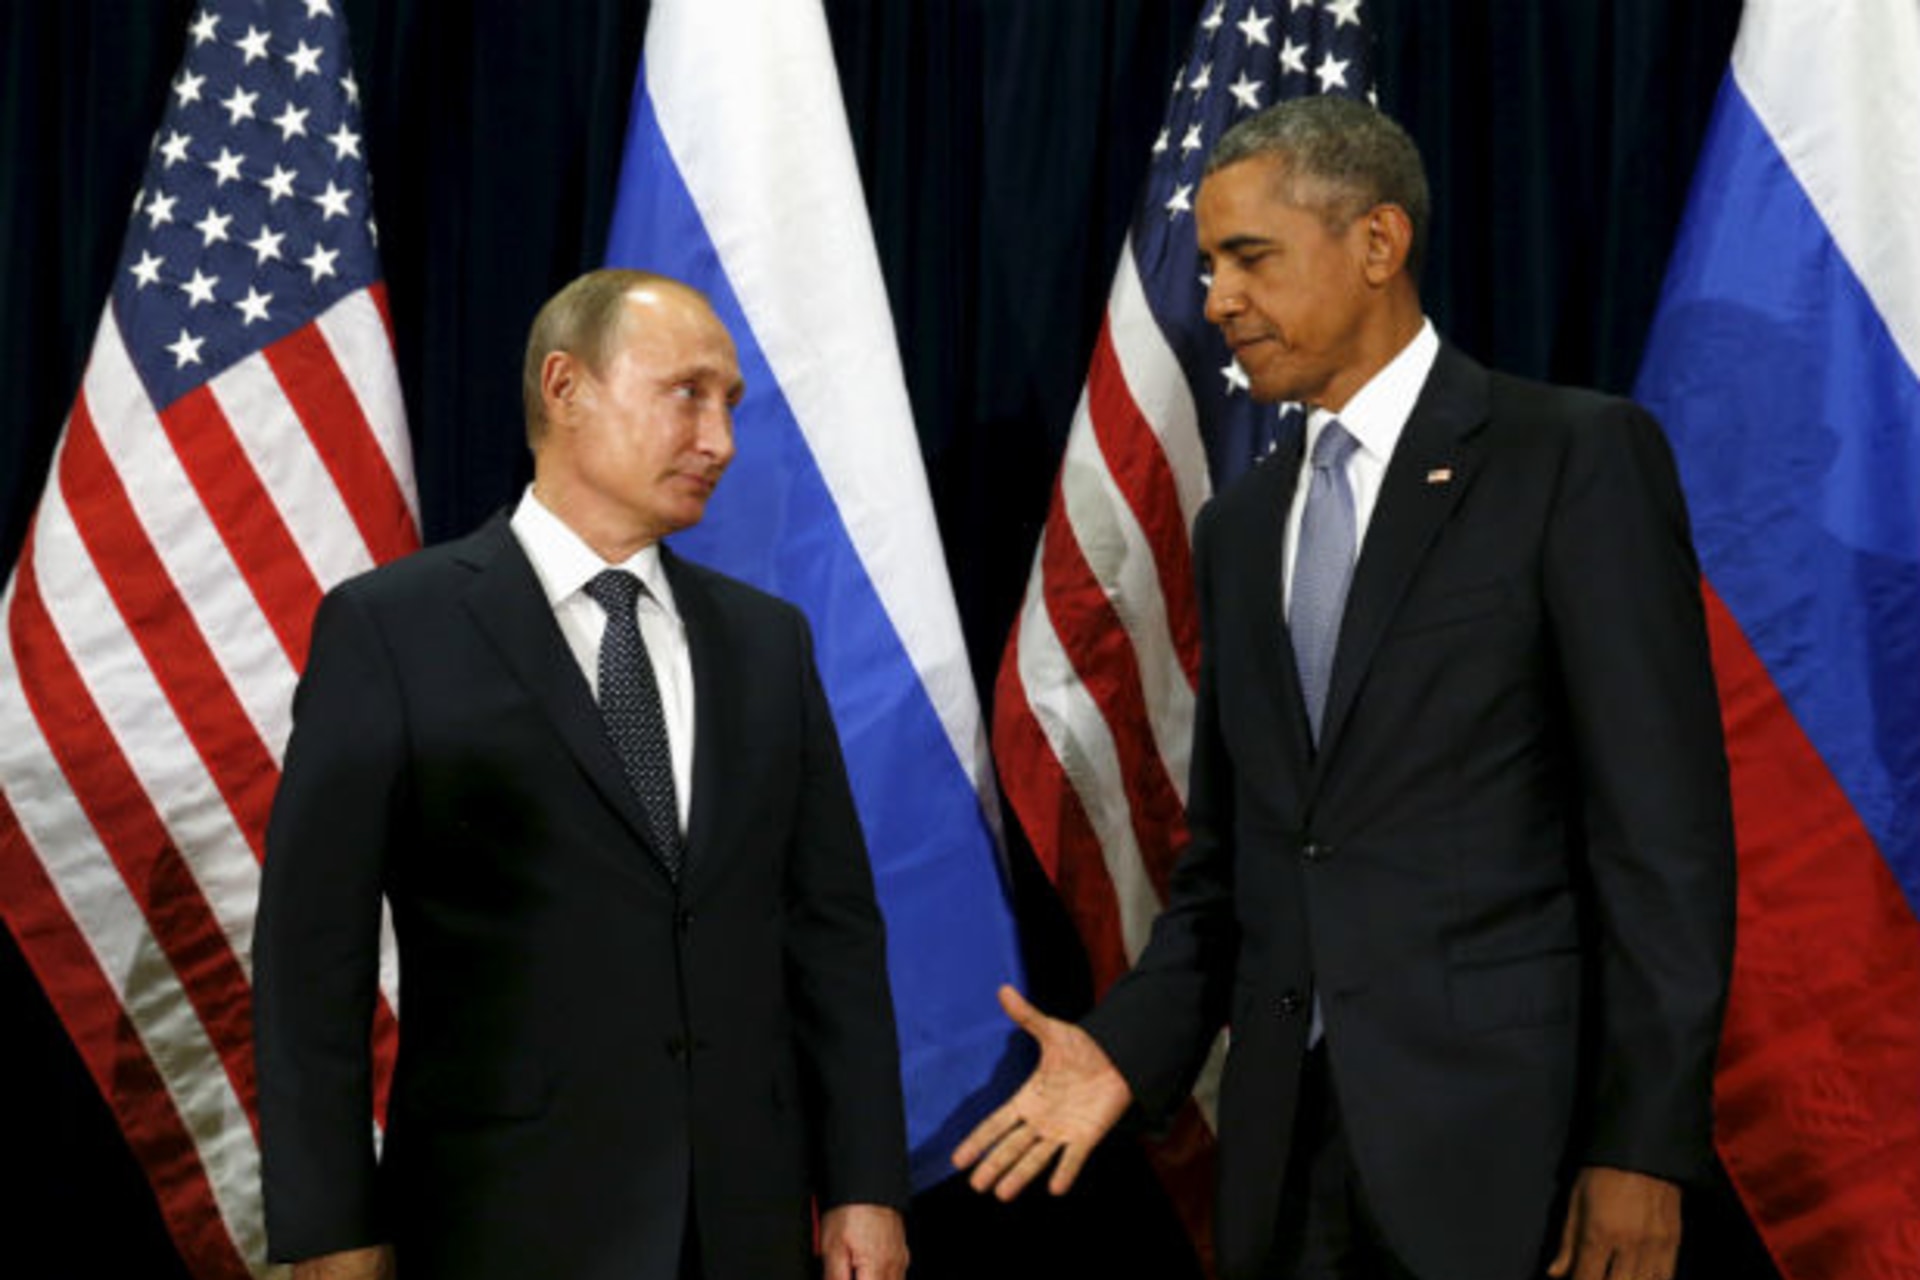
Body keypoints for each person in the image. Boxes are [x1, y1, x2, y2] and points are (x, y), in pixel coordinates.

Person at [954, 96, 1736, 1280]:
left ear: (1377, 244)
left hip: (1509, 1152)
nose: (1215, 297)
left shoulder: (1570, 459)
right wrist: (1123, 1051)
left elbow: (1662, 842)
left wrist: (1645, 1147)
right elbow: (1237, 868)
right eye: (1210, 262)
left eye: (1249, 258)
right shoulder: (1242, 525)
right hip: (1285, 1153)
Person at [254, 269, 911, 1280]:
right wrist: (332, 1228)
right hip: (499, 1223)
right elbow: (311, 966)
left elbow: (833, 934)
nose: (722, 440)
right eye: (688, 392)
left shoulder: (766, 641)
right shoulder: (392, 629)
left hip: (746, 1223)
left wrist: (864, 1182)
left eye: (730, 403)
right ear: (565, 386)